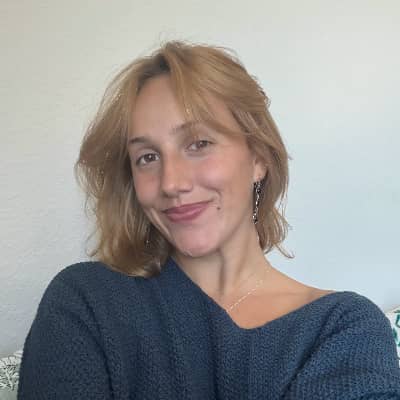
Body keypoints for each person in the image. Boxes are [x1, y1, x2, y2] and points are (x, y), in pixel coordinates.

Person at [18, 41, 400, 399]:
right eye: (147, 157)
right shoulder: (87, 303)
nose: (171, 183)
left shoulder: (343, 329)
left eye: (199, 143)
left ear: (258, 158)